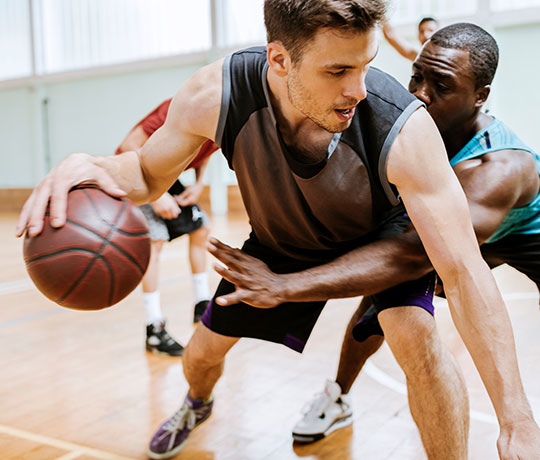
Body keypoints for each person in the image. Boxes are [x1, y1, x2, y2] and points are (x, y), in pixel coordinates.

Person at [15, 2, 540, 459]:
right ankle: (196, 404)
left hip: (377, 237)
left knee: (418, 340)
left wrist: (517, 421)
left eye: (367, 65)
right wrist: (92, 165)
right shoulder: (216, 93)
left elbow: (465, 270)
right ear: (280, 59)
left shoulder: (402, 125)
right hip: (280, 243)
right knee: (199, 357)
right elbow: (148, 175)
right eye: (337, 70)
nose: (358, 89)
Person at [209, 21, 540, 454]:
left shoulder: (496, 169)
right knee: (382, 305)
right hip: (435, 231)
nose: (420, 93)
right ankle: (338, 396)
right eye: (416, 76)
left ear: (480, 96)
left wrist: (286, 286)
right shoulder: (403, 127)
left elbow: (414, 255)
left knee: (402, 269)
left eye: (440, 84)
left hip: (521, 234)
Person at [116, 99, 219, 356]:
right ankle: (154, 328)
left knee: (200, 230)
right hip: (134, 171)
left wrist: (199, 183)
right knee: (155, 242)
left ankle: (202, 303)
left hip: (163, 175)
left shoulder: (227, 120)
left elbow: (204, 151)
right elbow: (130, 145)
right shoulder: (180, 107)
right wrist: (156, 196)